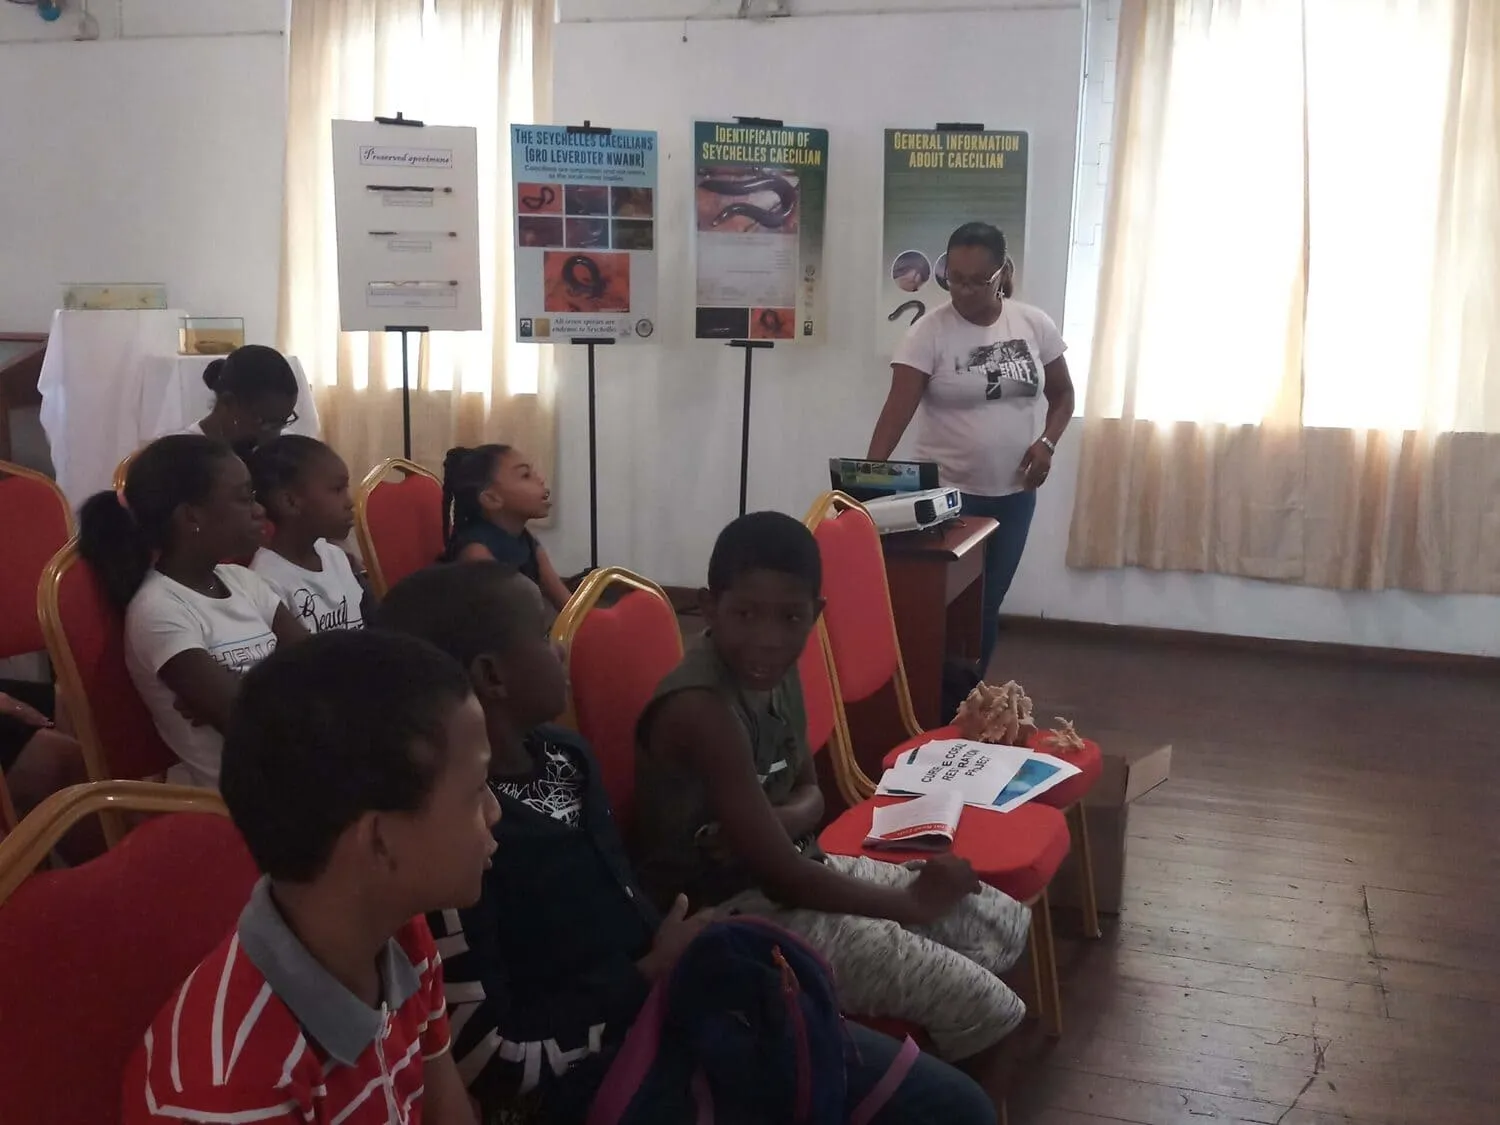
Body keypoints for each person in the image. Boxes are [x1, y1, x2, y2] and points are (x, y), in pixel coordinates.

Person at [378, 561, 1000, 1125]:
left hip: (678, 990)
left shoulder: (566, 756)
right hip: (600, 1070)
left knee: (952, 1102)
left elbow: (627, 901)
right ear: (492, 676)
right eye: (544, 635)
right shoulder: (452, 841)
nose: (562, 646)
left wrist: (684, 956)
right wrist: (649, 972)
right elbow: (491, 1059)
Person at [634, 512, 1031, 1065]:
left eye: (790, 617)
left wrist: (769, 825)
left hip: (793, 870)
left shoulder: (776, 669)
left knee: (1001, 921)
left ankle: (898, 1067)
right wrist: (910, 905)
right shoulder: (703, 708)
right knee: (992, 1008)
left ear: (814, 617)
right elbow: (784, 876)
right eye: (745, 614)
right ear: (708, 606)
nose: (768, 638)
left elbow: (811, 795)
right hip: (727, 916)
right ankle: (935, 1079)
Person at [121, 629, 499, 1125]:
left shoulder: (399, 934)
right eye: (476, 791)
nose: (494, 811)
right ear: (381, 842)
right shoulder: (231, 1095)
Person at [867, 222, 1075, 672]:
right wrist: (863, 483)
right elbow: (895, 413)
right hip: (947, 496)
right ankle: (930, 702)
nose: (961, 290)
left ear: (1000, 273)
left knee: (985, 604)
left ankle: (967, 703)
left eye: (974, 281)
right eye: (952, 278)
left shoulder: (1033, 324)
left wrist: (1047, 443)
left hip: (1015, 496)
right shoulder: (929, 333)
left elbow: (1063, 396)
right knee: (942, 607)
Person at [77, 434, 307, 789]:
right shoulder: (159, 609)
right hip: (247, 798)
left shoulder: (244, 581)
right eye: (244, 498)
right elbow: (254, 728)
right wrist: (279, 691)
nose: (260, 510)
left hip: (300, 772)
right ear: (191, 516)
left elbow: (321, 668)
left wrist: (247, 689)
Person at [249, 435, 372, 633]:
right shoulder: (267, 581)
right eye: (337, 489)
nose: (349, 503)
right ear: (290, 502)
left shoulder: (336, 557)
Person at [441, 444, 571, 612]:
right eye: (525, 475)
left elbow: (569, 606)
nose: (540, 479)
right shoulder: (476, 553)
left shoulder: (528, 542)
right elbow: (499, 625)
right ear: (491, 498)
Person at [189, 344, 300, 457]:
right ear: (228, 403)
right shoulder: (185, 455)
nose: (275, 434)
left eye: (284, 421)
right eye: (266, 422)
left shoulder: (288, 449)